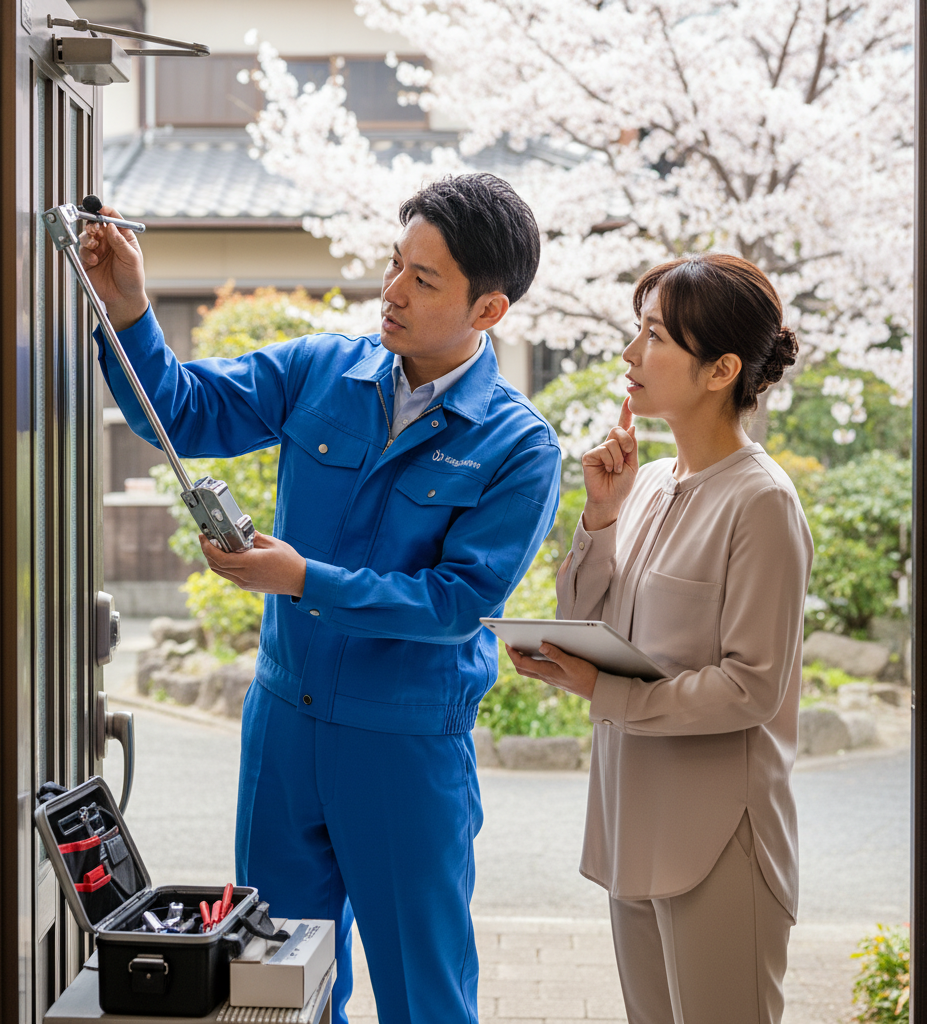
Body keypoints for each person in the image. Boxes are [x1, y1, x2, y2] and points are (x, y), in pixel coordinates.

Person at [80, 172, 562, 1024]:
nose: (392, 291)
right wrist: (128, 310)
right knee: (274, 984)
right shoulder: (321, 370)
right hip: (283, 729)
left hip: (404, 747)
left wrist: (303, 579)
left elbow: (455, 602)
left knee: (423, 994)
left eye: (424, 279)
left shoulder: (519, 447)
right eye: (394, 263)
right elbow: (180, 413)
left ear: (488, 309)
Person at [507, 253, 813, 1024]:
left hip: (721, 843)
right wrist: (601, 515)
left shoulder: (762, 503)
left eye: (656, 337)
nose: (629, 354)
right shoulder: (644, 485)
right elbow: (586, 617)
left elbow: (751, 688)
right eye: (637, 331)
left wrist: (603, 690)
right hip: (634, 827)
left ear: (722, 371)